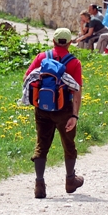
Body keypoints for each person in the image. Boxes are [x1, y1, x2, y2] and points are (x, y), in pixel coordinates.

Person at [24, 28, 84, 198]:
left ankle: (39, 185)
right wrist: (74, 115)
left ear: (53, 41)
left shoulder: (42, 57)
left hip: (42, 108)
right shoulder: (74, 63)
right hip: (64, 109)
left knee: (41, 145)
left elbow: (27, 78)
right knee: (68, 145)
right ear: (70, 43)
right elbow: (77, 90)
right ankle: (70, 180)